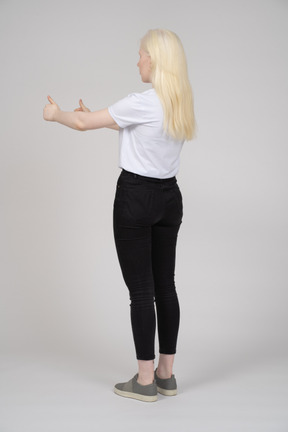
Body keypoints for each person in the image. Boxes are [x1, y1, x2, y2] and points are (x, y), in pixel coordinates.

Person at [43, 28, 196, 402]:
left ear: (154, 60)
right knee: (166, 286)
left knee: (141, 291)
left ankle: (144, 382)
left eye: (141, 53)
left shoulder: (142, 100)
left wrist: (55, 114)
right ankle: (166, 374)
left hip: (136, 197)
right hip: (168, 199)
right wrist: (96, 116)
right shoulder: (178, 102)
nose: (138, 59)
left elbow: (81, 124)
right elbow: (129, 125)